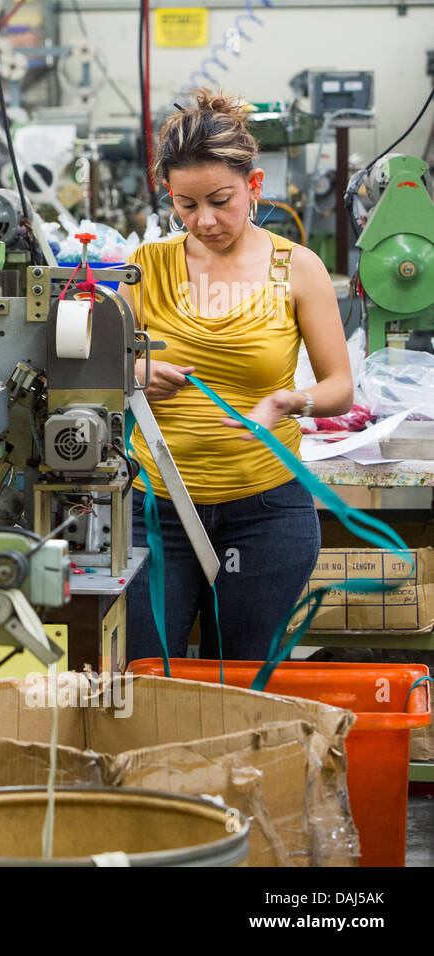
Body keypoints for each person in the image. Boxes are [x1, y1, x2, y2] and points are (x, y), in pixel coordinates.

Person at [124, 89, 353, 664]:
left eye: (221, 201)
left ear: (253, 187)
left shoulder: (296, 268)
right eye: (186, 204)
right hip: (157, 510)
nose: (205, 220)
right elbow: (85, 365)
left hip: (266, 513)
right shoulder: (146, 269)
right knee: (150, 678)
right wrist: (131, 371)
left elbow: (338, 387)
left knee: (241, 683)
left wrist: (288, 400)